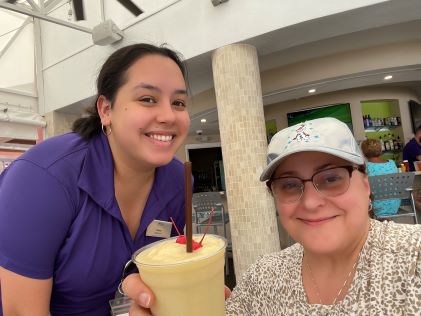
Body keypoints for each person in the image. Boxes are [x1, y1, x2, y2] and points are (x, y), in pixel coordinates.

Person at [121, 117, 421, 315]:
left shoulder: (413, 258)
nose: (312, 202)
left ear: (365, 184)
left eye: (331, 178)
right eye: (290, 185)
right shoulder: (263, 277)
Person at [0, 43, 190, 315]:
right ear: (106, 110)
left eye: (179, 103)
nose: (169, 115)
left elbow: (155, 280)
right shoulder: (43, 178)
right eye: (147, 99)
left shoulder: (178, 180)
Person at [360, 138, 400, 217]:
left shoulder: (365, 168)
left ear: (363, 153)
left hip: (375, 208)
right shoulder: (391, 163)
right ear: (381, 150)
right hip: (394, 205)